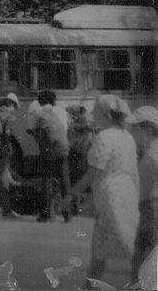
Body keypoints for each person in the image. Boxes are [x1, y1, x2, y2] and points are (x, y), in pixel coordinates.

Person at [62, 94, 139, 289]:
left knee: (102, 248)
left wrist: (71, 193)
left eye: (95, 110)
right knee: (129, 243)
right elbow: (133, 170)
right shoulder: (127, 136)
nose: (93, 113)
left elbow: (92, 173)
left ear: (105, 113)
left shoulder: (104, 137)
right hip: (128, 193)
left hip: (110, 196)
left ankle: (90, 287)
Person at [27, 90, 70, 223]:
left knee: (47, 180)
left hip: (48, 151)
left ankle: (46, 215)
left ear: (40, 102)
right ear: (53, 100)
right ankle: (68, 215)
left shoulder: (38, 113)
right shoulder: (61, 111)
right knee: (64, 181)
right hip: (63, 148)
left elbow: (31, 130)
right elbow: (66, 127)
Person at [126, 105, 158, 284]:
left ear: (147, 128)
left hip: (151, 211)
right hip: (151, 209)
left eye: (135, 128)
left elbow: (143, 190)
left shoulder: (151, 156)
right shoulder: (153, 150)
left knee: (142, 258)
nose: (133, 133)